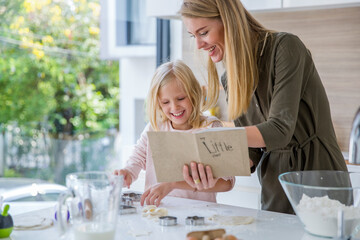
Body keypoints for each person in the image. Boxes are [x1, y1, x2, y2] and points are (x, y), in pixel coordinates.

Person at [179, 0, 347, 214]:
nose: (198, 45)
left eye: (203, 32)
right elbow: (253, 152)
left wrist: (216, 138)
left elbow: (279, 130)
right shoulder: (230, 78)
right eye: (193, 36)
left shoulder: (285, 47)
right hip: (276, 187)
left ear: (229, 22)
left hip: (320, 177)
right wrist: (212, 169)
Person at [114, 60, 235, 207]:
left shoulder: (211, 127)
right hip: (158, 213)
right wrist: (127, 173)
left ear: (194, 93)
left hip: (201, 215)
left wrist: (173, 184)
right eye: (165, 102)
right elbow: (137, 159)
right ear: (158, 102)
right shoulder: (155, 128)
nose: (174, 107)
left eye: (181, 98)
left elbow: (226, 183)